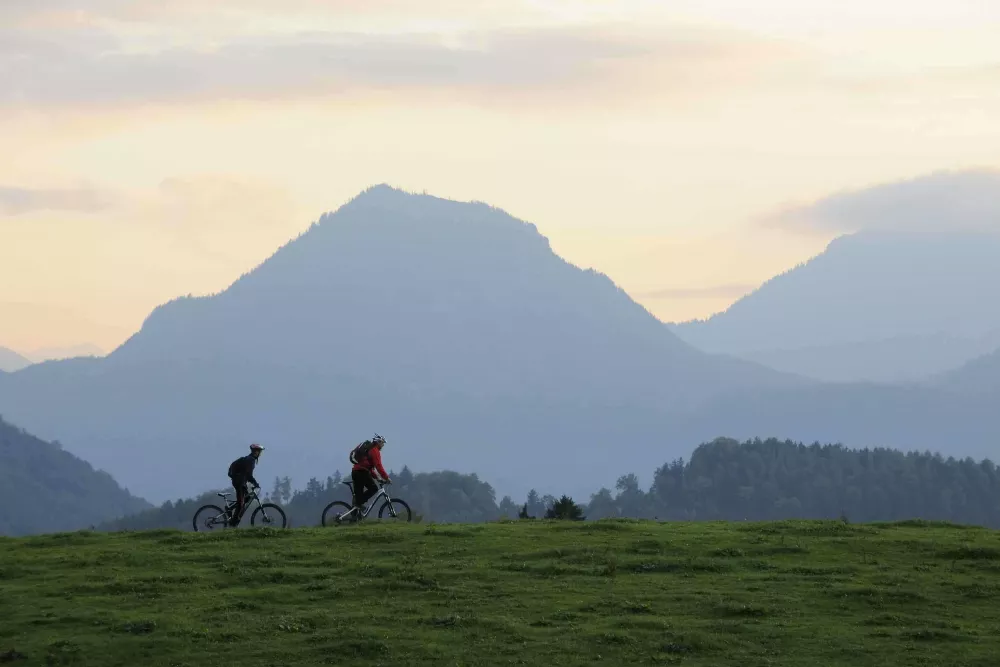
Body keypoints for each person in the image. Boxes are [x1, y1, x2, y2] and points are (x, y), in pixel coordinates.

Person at [351, 433, 391, 515]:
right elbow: (378, 466)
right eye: (382, 443)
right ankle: (357, 503)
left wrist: (378, 478)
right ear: (378, 442)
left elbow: (370, 468)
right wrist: (386, 478)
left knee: (359, 496)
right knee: (374, 489)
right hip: (361, 473)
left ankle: (354, 519)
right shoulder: (374, 450)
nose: (383, 445)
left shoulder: (369, 450)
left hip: (356, 472)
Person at [227, 443, 264, 526]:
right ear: (255, 452)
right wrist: (255, 483)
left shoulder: (249, 459)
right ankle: (234, 521)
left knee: (246, 499)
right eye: (259, 452)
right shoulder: (250, 460)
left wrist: (253, 482)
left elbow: (247, 475)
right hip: (239, 482)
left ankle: (232, 510)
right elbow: (249, 475)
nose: (260, 454)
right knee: (241, 503)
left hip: (241, 482)